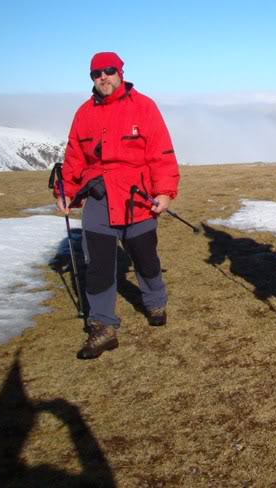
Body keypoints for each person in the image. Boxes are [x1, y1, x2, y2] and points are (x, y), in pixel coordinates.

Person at [55, 52, 180, 359]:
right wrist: (66, 191)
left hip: (138, 198)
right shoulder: (84, 113)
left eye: (109, 71)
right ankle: (102, 326)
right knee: (97, 264)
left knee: (145, 256)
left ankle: (155, 301)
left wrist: (164, 191)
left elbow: (161, 152)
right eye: (96, 73)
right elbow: (74, 157)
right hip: (99, 198)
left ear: (121, 72)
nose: (103, 77)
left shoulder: (144, 106)